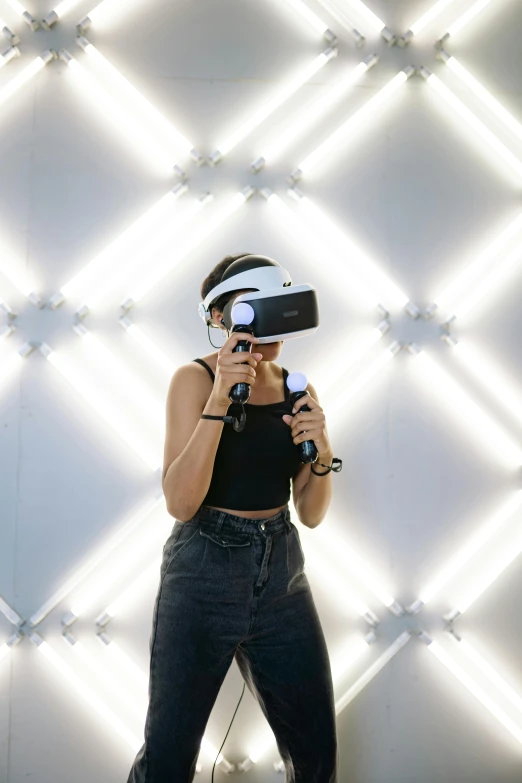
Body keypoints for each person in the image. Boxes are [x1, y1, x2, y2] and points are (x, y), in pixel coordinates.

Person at [126, 254, 339, 782]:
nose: (272, 331)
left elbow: (311, 513)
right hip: (204, 568)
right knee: (169, 758)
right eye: (257, 312)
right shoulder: (193, 379)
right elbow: (181, 502)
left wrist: (321, 451)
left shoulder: (297, 387)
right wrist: (222, 396)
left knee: (315, 753)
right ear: (223, 318)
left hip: (282, 573)